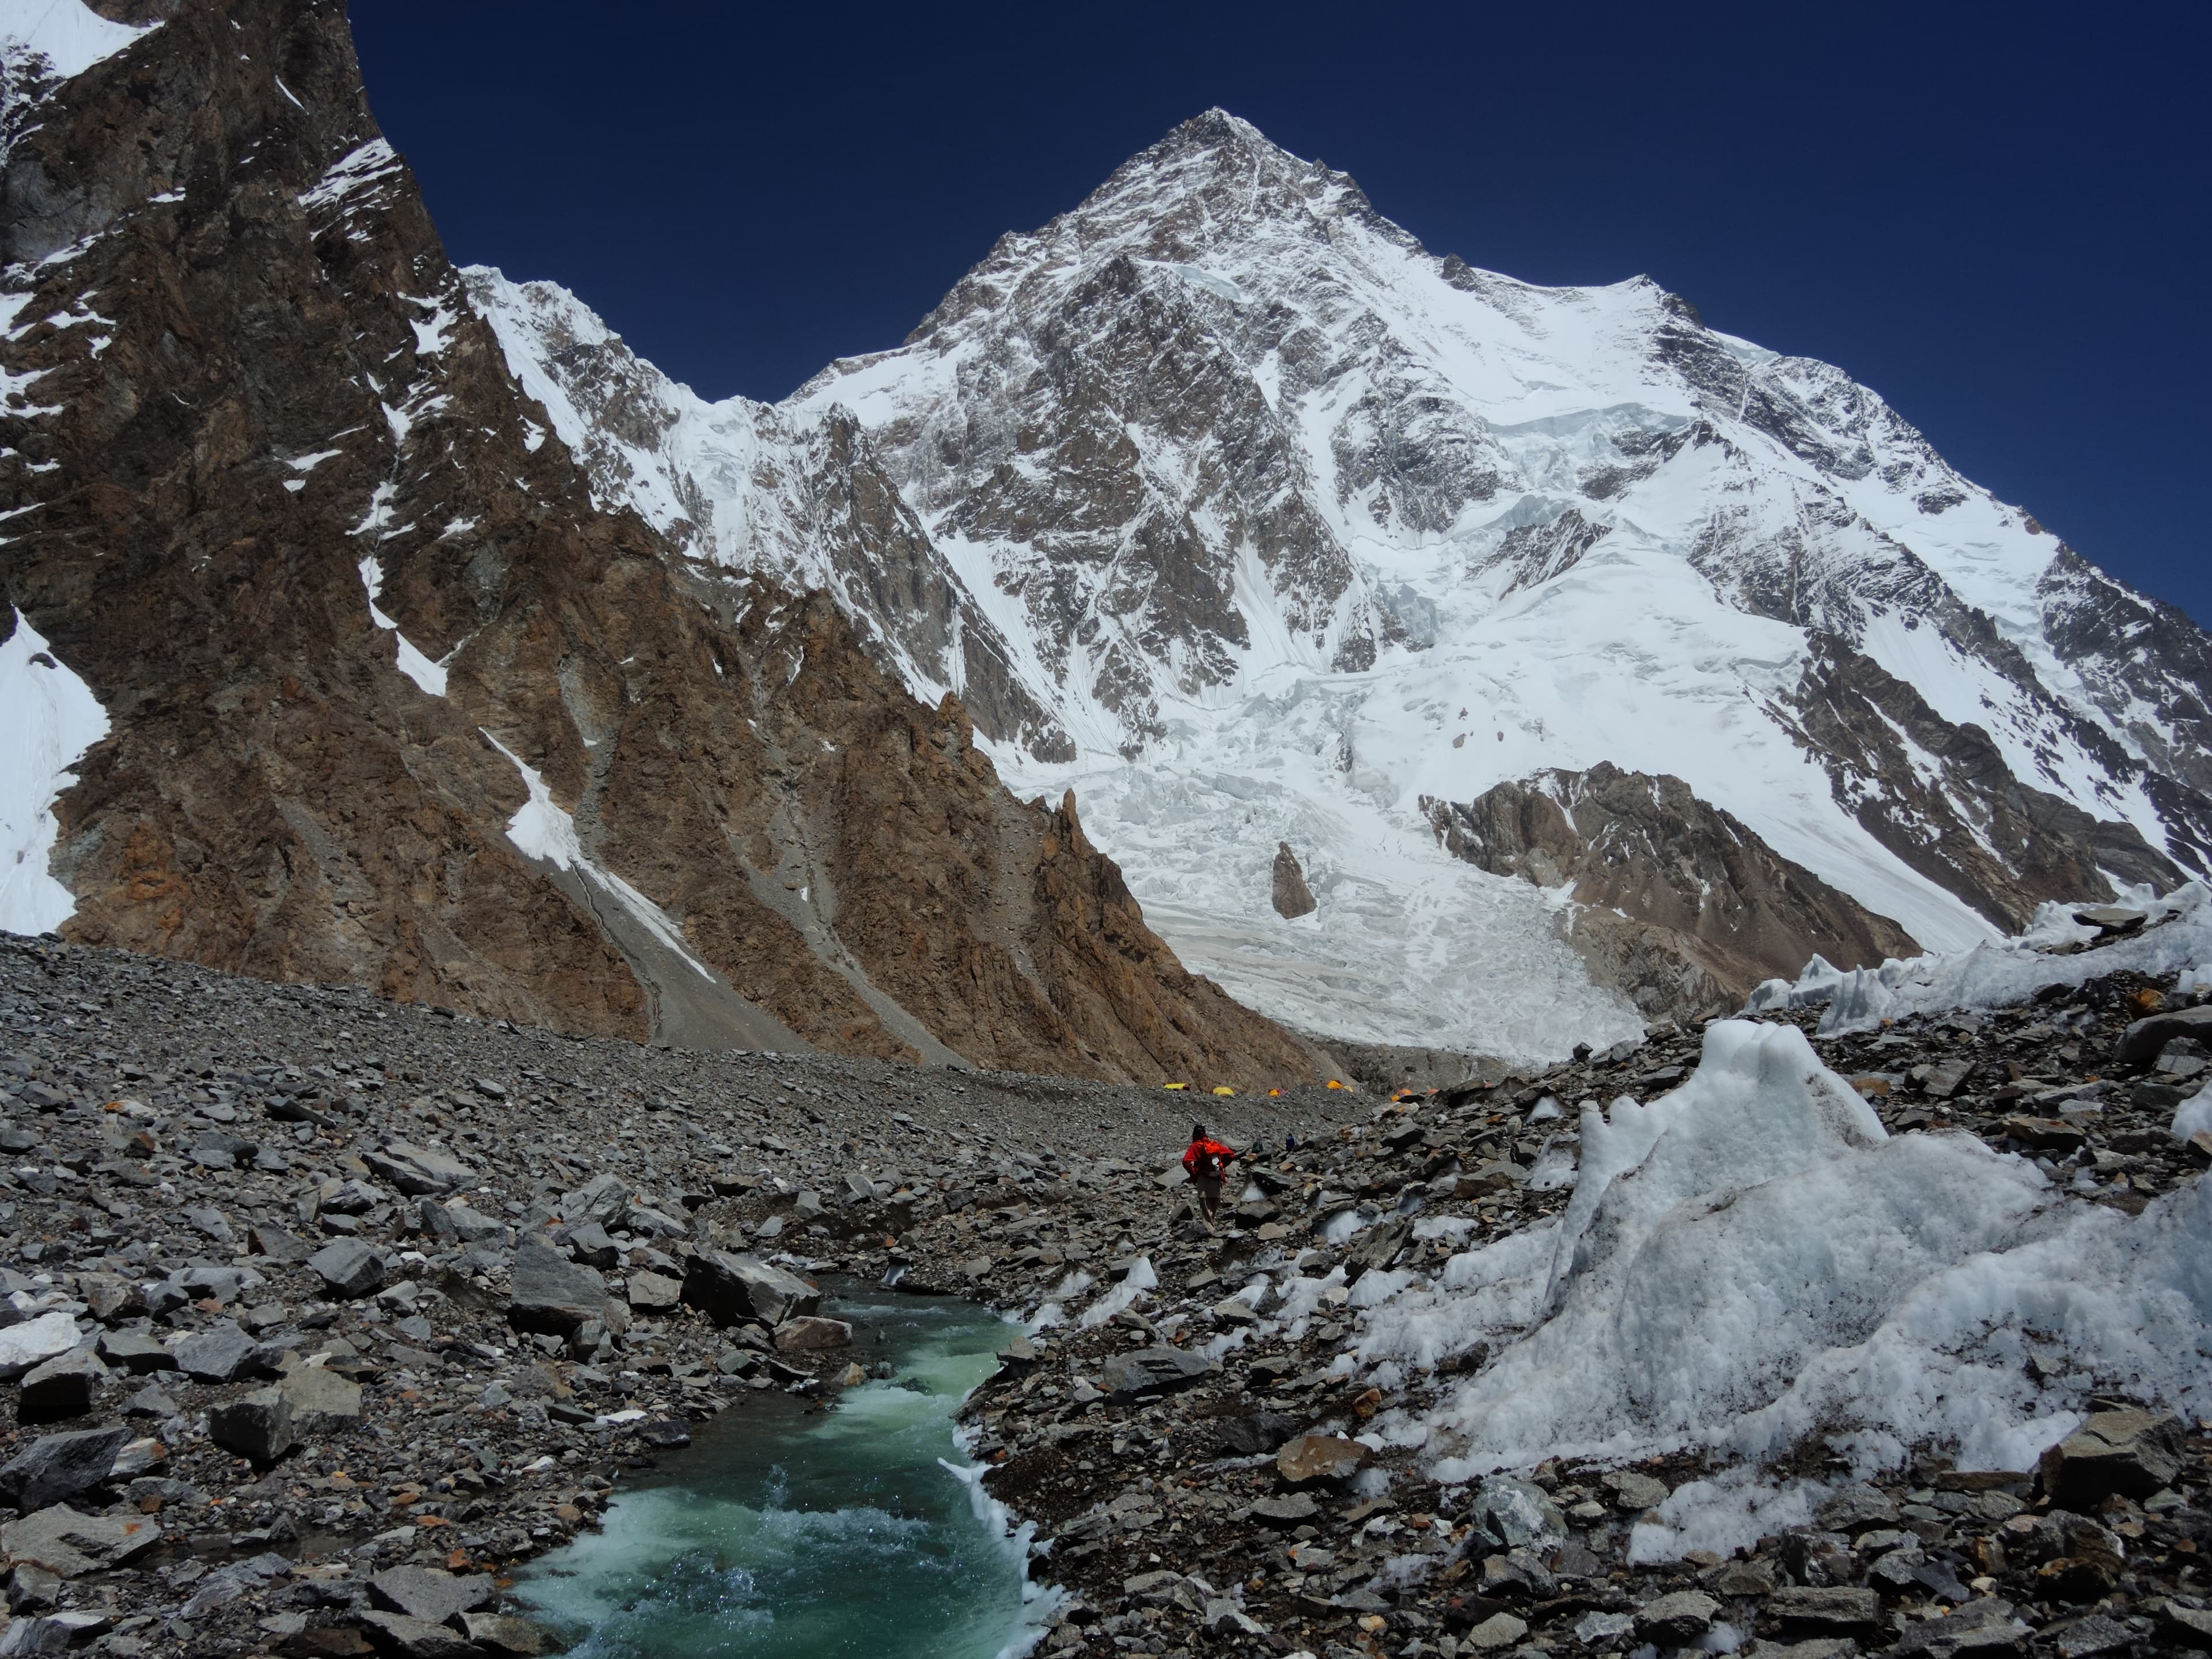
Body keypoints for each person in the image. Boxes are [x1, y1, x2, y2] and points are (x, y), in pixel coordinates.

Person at [1181, 1122, 1239, 1231]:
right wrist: (1222, 1167)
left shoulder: (1196, 1146)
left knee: (1205, 1203)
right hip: (1216, 1177)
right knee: (1214, 1203)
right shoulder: (1214, 1145)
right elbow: (1231, 1155)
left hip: (1204, 1178)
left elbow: (1186, 1162)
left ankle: (1209, 1227)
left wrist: (1194, 1172)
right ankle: (1212, 1225)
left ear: (1194, 1135)